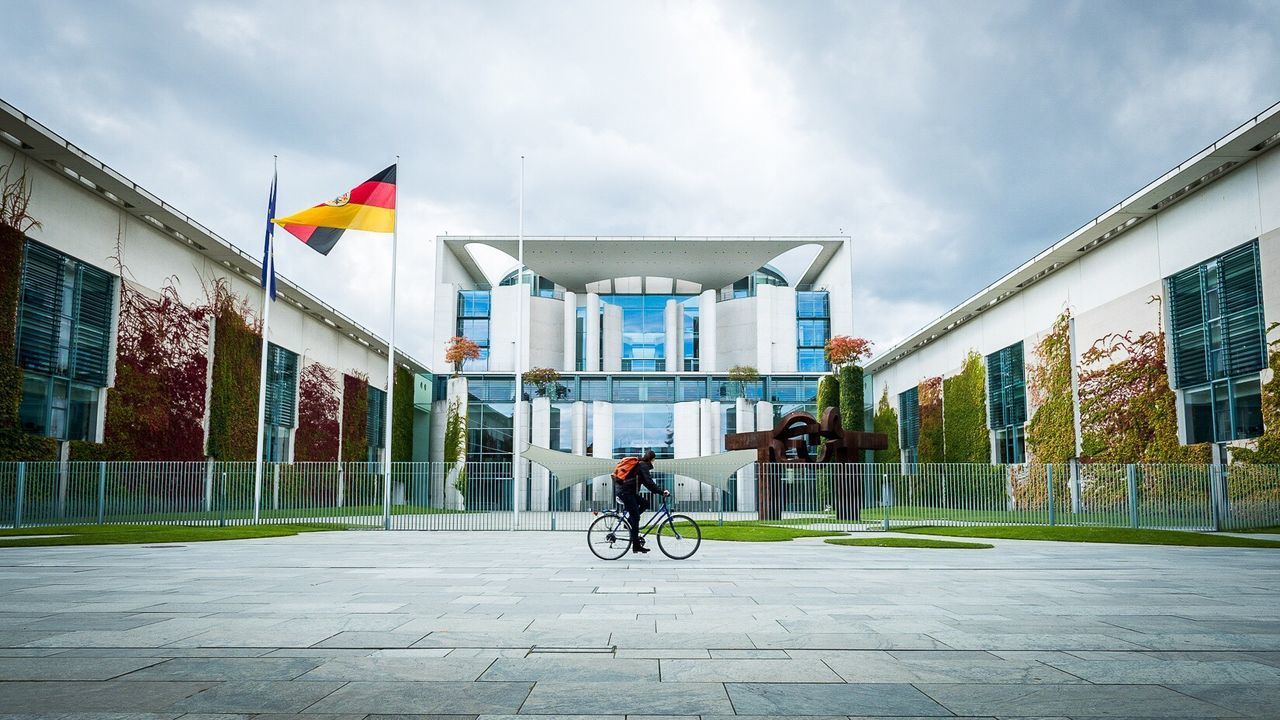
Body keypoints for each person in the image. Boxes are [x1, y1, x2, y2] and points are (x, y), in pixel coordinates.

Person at [614, 449, 668, 554]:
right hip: (626, 492)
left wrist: (658, 491)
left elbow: (648, 484)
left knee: (645, 503)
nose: (653, 462)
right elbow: (649, 482)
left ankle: (629, 521)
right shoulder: (643, 466)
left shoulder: (641, 465)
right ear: (652, 459)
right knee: (636, 517)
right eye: (654, 460)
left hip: (628, 492)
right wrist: (662, 492)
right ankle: (636, 546)